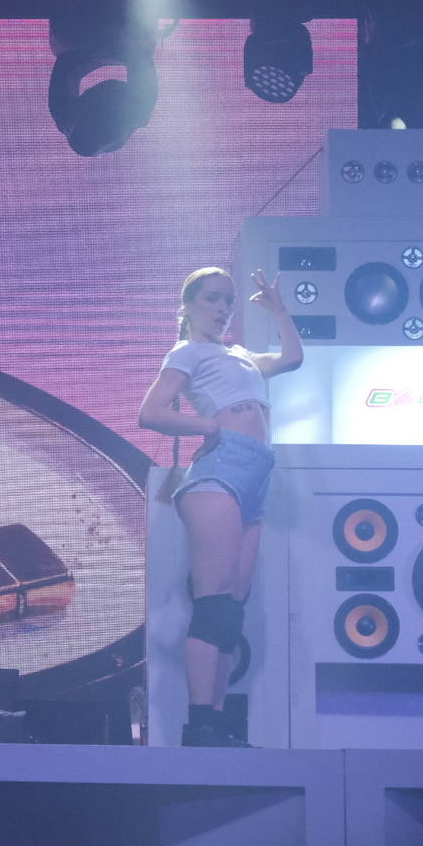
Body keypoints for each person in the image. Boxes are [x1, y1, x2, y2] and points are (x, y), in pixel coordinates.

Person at [138, 266, 302, 747]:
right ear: (187, 305)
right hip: (219, 472)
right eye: (212, 299)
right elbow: (151, 412)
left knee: (233, 605)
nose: (223, 309)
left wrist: (277, 309)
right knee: (213, 602)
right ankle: (198, 725)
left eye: (228, 301)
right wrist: (207, 428)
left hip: (255, 473)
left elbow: (292, 358)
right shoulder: (186, 352)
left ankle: (215, 719)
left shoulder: (240, 355)